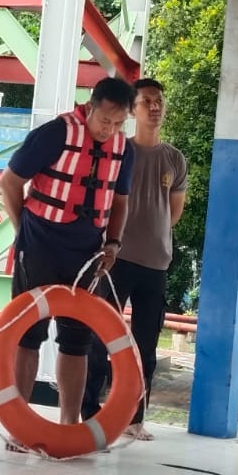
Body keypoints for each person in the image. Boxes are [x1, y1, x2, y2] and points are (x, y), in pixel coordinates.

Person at [0, 78, 135, 434]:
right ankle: (19, 425)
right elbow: (10, 181)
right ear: (90, 107)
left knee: (77, 340)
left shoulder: (124, 149)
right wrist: (22, 230)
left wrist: (114, 243)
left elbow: (120, 201)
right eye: (105, 120)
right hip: (40, 243)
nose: (109, 130)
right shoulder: (55, 133)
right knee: (28, 334)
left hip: (87, 252)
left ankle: (69, 424)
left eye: (118, 123)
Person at [79, 78, 186, 441]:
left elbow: (173, 213)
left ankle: (134, 418)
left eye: (159, 102)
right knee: (99, 338)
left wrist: (152, 234)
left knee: (145, 347)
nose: (154, 107)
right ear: (132, 109)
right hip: (115, 260)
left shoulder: (174, 159)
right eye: (146, 102)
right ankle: (89, 412)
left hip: (155, 264)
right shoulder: (117, 149)